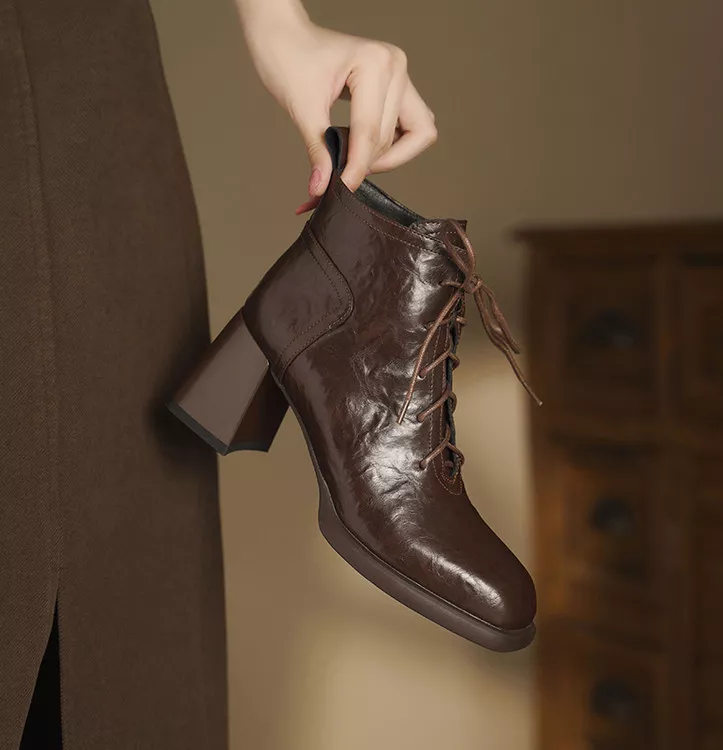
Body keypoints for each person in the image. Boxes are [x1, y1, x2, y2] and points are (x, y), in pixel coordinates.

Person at [0, 0, 436, 747]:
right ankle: (309, 310)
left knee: (111, 641)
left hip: (66, 76)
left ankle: (317, 302)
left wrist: (278, 21)